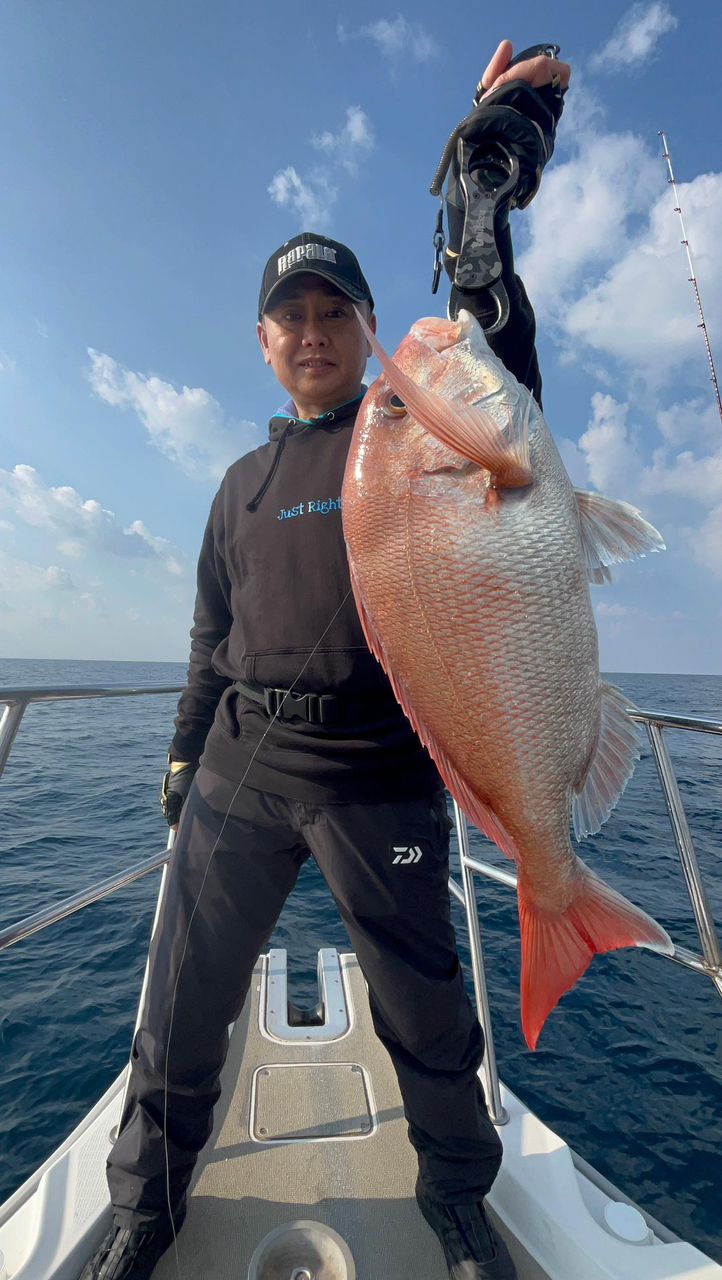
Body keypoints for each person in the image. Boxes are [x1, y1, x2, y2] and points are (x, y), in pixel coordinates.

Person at [81, 39, 571, 1280]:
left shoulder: (408, 429)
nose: (312, 335)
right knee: (181, 1002)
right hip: (247, 756)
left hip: (377, 764)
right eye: (290, 318)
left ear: (366, 334)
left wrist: (474, 203)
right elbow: (207, 635)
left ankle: (458, 1197)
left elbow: (492, 362)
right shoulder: (239, 484)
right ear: (261, 341)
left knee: (423, 1008)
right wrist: (186, 756)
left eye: (332, 316)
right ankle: (146, 1200)